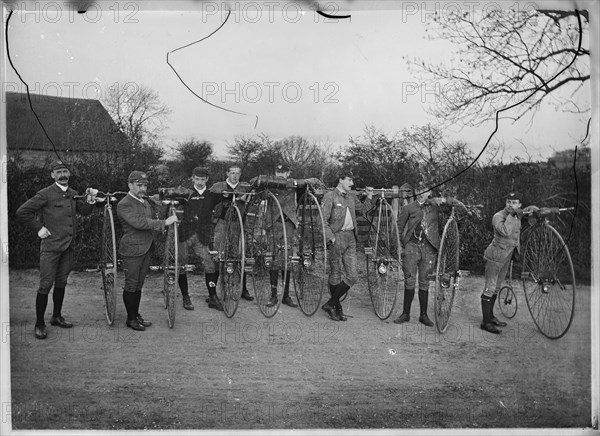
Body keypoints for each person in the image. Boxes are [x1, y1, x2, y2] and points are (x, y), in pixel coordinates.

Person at [16, 159, 98, 339]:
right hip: (51, 247)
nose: (62, 175)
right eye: (58, 172)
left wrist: (90, 199)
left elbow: (84, 211)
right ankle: (39, 324)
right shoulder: (45, 194)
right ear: (52, 175)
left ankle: (57, 317)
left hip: (68, 247)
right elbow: (23, 212)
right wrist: (39, 228)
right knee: (45, 285)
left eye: (65, 171)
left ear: (69, 174)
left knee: (61, 283)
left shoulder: (74, 193)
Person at [393, 182, 467, 327]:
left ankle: (423, 315)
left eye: (425, 191)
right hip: (411, 248)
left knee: (424, 281)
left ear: (429, 193)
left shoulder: (435, 206)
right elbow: (399, 227)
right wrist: (401, 246)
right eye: (419, 190)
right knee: (409, 279)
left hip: (429, 248)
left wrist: (445, 200)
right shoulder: (408, 208)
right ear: (416, 192)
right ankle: (405, 314)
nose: (421, 193)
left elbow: (452, 206)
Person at [117, 171, 178, 331]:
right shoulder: (124, 204)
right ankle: (130, 319)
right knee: (131, 284)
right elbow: (139, 223)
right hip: (132, 249)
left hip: (146, 247)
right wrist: (164, 222)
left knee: (139, 284)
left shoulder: (143, 201)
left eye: (144, 185)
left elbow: (152, 217)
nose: (143, 188)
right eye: (139, 185)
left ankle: (136, 314)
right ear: (130, 185)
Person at [165, 167, 224, 311]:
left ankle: (213, 296)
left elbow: (229, 197)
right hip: (185, 234)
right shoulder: (187, 193)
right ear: (192, 179)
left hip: (202, 236)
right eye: (197, 179)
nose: (200, 182)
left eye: (203, 179)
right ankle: (186, 296)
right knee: (181, 265)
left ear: (207, 180)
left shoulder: (212, 195)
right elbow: (169, 198)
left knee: (210, 264)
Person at [480, 192, 538, 334]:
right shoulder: (498, 216)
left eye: (514, 202)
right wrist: (513, 215)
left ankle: (491, 317)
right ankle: (485, 322)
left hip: (506, 256)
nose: (510, 205)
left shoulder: (517, 213)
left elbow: (530, 211)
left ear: (519, 205)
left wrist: (535, 210)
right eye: (508, 202)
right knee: (490, 287)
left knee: (497, 287)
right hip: (494, 256)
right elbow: (505, 231)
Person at [320, 171, 373, 321]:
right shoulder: (330, 196)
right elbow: (322, 220)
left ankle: (331, 303)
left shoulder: (351, 197)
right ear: (341, 180)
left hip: (351, 238)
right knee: (335, 274)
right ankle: (336, 308)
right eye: (349, 180)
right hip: (337, 238)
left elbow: (363, 210)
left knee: (353, 276)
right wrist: (331, 238)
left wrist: (369, 196)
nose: (352, 184)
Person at [210, 164, 254, 301]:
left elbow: (255, 195)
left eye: (237, 173)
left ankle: (242, 289)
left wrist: (248, 197)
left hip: (237, 224)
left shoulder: (245, 187)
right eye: (232, 173)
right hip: (222, 223)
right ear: (227, 174)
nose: (235, 175)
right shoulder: (218, 186)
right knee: (218, 254)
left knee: (238, 255)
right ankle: (213, 292)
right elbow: (208, 199)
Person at [261, 163, 299, 309]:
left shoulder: (293, 185)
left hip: (288, 224)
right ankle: (273, 295)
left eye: (283, 173)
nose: (281, 175)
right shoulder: (270, 185)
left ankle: (286, 295)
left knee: (287, 259)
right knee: (273, 259)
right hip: (273, 224)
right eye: (278, 172)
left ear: (288, 173)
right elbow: (261, 197)